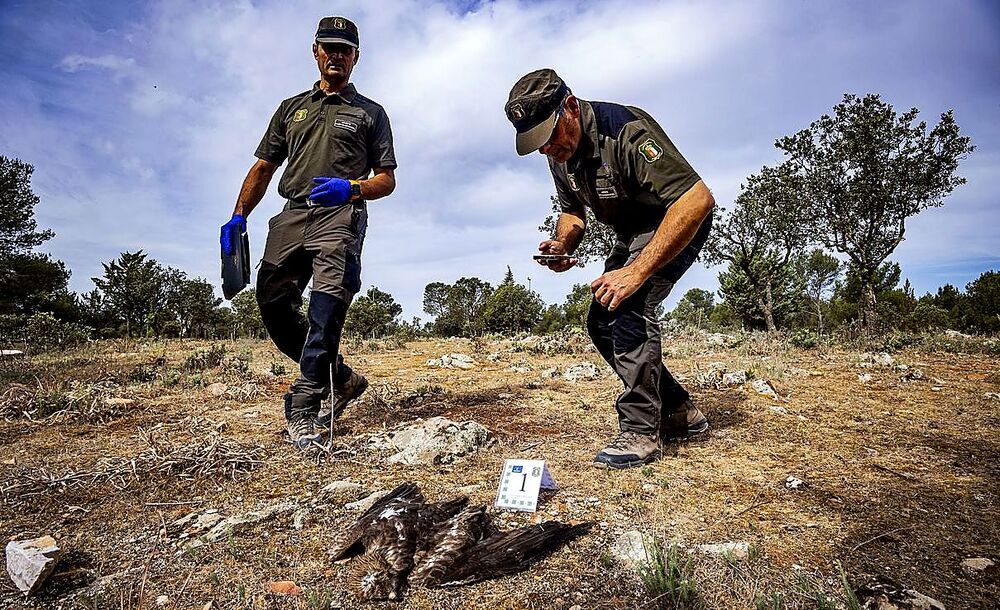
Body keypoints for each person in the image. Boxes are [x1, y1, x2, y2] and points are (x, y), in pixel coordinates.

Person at [505, 69, 714, 470]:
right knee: (600, 321)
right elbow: (571, 211)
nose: (546, 149)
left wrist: (636, 273)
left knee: (629, 303)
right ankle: (679, 412)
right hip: (633, 231)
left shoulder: (626, 131)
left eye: (549, 136)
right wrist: (563, 243)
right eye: (537, 144)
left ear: (570, 106)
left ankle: (640, 432)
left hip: (675, 220)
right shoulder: (559, 154)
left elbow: (697, 200)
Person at [221, 16, 396, 449]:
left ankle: (305, 405)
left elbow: (386, 180)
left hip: (341, 213)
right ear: (315, 51)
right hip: (292, 213)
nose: (336, 55)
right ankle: (340, 377)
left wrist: (351, 188)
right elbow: (264, 167)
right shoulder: (290, 108)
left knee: (327, 303)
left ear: (356, 57)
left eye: (345, 49)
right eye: (329, 47)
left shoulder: (370, 113)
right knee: (272, 301)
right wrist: (238, 215)